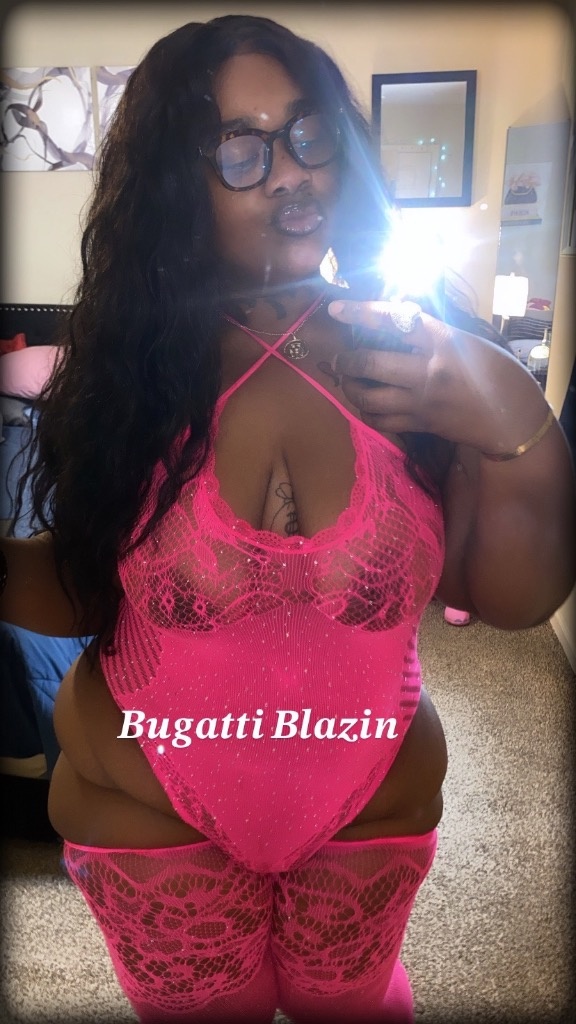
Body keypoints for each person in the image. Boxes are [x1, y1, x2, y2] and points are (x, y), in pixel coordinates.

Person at [0, 14, 574, 1023]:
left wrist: (518, 417)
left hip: (372, 804)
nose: (290, 173)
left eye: (309, 135)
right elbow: (85, 583)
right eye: (241, 148)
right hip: (149, 809)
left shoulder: (415, 351)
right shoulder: (133, 372)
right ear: (177, 183)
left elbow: (510, 597)